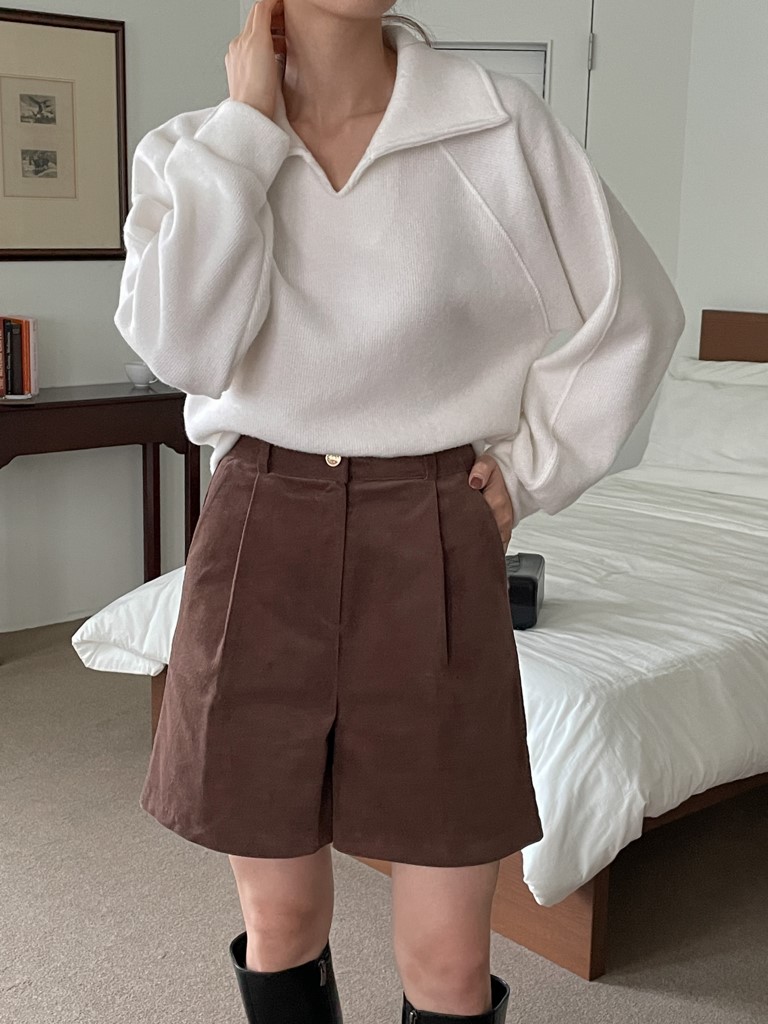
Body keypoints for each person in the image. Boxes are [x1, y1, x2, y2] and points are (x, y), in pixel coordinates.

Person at [113, 1, 686, 1022]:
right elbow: (183, 348)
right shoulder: (192, 150)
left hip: (433, 532)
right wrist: (246, 133)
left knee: (450, 961)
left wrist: (535, 467)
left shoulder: (494, 124)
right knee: (282, 922)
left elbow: (633, 311)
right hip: (260, 532)